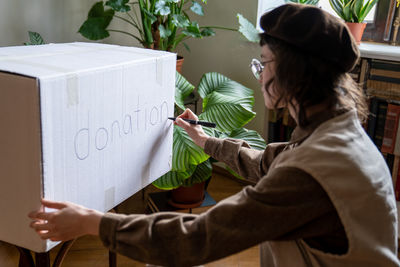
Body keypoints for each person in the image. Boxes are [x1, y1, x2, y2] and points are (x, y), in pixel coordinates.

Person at [28, 3, 400, 267]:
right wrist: (206, 141)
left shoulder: (319, 167)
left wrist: (92, 223)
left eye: (264, 63)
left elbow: (200, 236)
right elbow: (269, 162)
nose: (260, 74)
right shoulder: (336, 131)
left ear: (293, 73)